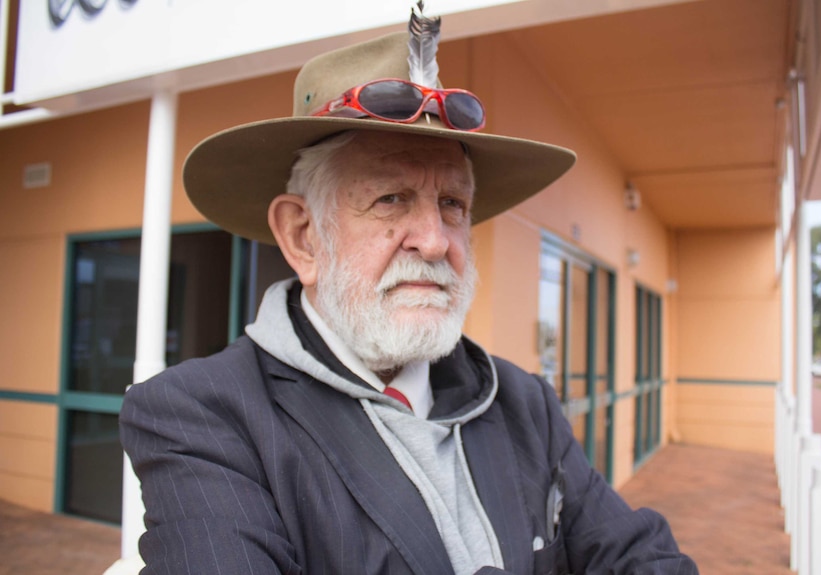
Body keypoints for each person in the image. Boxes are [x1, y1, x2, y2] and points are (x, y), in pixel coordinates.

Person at [119, 6, 698, 574]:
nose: (436, 240)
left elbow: (637, 555)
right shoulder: (204, 416)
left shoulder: (524, 403)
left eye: (453, 204)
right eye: (390, 199)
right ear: (302, 237)